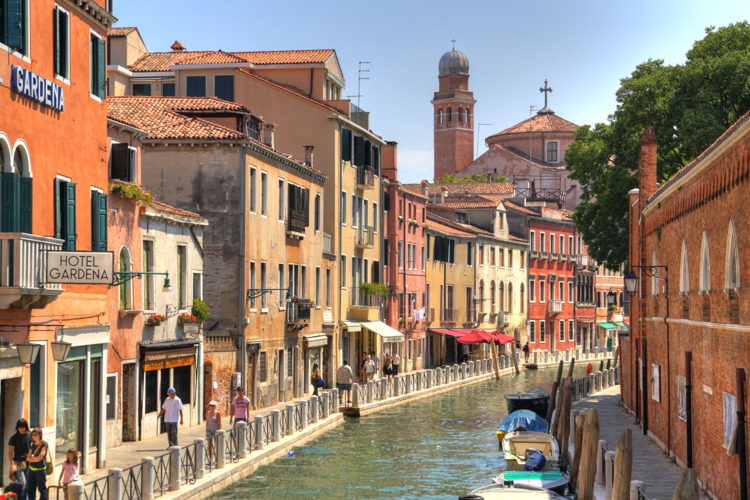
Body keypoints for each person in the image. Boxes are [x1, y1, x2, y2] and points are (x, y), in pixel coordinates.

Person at [8, 418, 31, 490]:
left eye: (23, 427)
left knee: (28, 484)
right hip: (18, 463)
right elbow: (10, 453)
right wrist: (12, 465)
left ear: (26, 427)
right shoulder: (13, 438)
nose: (22, 429)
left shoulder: (30, 435)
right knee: (22, 483)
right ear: (17, 427)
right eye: (20, 427)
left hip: (29, 462)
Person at [26, 427, 47, 500]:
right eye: (32, 435)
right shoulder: (32, 445)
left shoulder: (44, 444)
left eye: (35, 435)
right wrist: (33, 459)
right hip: (31, 470)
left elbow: (40, 458)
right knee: (31, 489)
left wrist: (32, 459)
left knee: (42, 490)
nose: (33, 436)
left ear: (40, 435)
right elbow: (27, 458)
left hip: (40, 470)